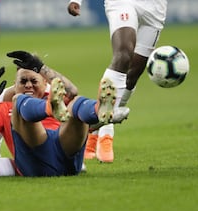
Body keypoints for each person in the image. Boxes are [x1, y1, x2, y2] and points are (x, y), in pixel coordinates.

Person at [0, 51, 129, 176]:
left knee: (76, 103)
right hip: (34, 163)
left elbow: (72, 91)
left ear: (45, 83)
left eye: (34, 81)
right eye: (23, 82)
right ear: (14, 85)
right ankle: (48, 109)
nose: (29, 85)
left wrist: (40, 67)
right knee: (19, 102)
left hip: (66, 154)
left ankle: (99, 110)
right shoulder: (4, 107)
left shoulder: (56, 97)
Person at [67, 0, 167, 163]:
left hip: (154, 8)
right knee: (123, 55)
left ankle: (93, 132)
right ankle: (106, 133)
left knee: (132, 76)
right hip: (123, 2)